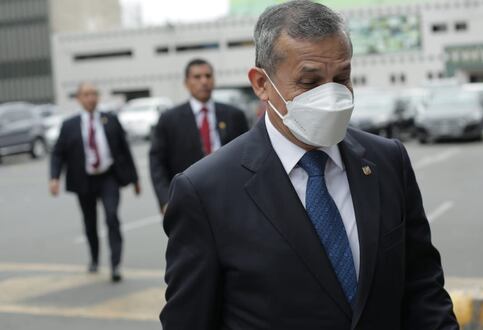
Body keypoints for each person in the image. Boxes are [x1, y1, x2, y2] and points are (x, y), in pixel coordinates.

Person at [161, 1, 458, 329]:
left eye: (341, 77)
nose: (331, 97)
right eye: (310, 82)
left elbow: (423, 287)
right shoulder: (205, 191)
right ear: (261, 84)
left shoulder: (387, 160)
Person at [49, 82, 140, 283]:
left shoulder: (111, 120)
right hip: (83, 180)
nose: (90, 98)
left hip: (109, 177)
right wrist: (54, 178)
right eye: (86, 94)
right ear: (79, 99)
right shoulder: (69, 125)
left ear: (98, 97)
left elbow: (124, 150)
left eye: (93, 94)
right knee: (90, 222)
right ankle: (94, 258)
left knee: (111, 217)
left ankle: (116, 264)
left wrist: (135, 179)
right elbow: (58, 154)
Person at [149, 58, 249, 213]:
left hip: (229, 194)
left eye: (208, 76)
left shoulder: (233, 115)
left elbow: (248, 155)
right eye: (197, 77)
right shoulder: (169, 119)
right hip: (187, 197)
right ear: (186, 83)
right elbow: (157, 162)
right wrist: (165, 199)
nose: (204, 81)